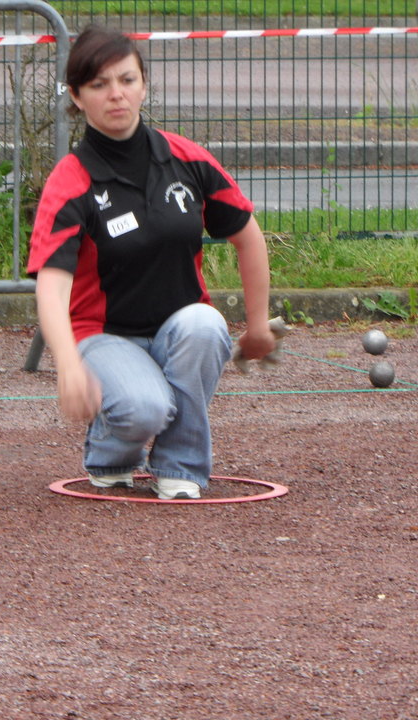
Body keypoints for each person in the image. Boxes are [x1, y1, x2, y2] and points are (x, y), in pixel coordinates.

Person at [27, 25, 276, 499]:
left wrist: (259, 325)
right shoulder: (71, 180)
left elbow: (249, 237)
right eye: (99, 84)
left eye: (127, 80)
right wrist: (68, 366)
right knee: (145, 408)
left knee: (207, 325)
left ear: (144, 85)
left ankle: (180, 467)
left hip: (177, 330)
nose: (116, 94)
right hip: (102, 335)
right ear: (76, 96)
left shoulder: (187, 159)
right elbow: (52, 286)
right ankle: (110, 453)